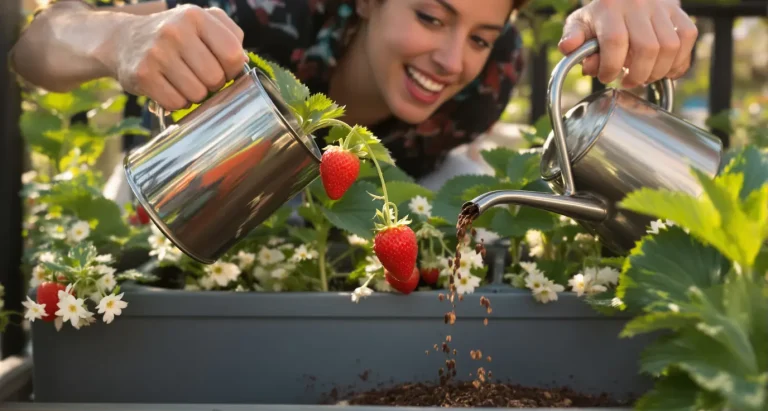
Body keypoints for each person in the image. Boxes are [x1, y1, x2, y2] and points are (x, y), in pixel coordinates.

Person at [9, 0, 698, 180]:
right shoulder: (264, 20)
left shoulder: (497, 75)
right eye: (431, 17)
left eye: (482, 34)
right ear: (367, 1)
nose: (454, 59)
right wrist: (118, 40)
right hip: (209, 191)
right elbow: (36, 43)